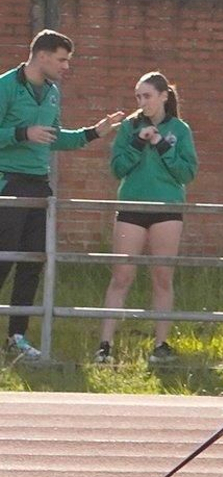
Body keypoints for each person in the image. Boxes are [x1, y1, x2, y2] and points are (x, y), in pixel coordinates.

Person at [0, 30, 123, 362]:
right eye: (62, 59)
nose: (67, 66)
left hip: (40, 185)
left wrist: (94, 132)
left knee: (33, 264)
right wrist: (22, 133)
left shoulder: (53, 92)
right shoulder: (7, 85)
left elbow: (54, 138)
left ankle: (17, 337)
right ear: (41, 56)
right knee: (3, 262)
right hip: (8, 185)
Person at [98, 72, 198, 364]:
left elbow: (187, 172)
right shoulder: (129, 127)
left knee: (162, 277)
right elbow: (117, 168)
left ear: (164, 96)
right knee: (121, 276)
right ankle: (105, 344)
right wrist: (138, 144)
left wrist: (162, 145)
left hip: (167, 208)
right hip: (131, 206)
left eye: (148, 96)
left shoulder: (180, 129)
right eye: (138, 97)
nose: (142, 102)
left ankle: (161, 345)